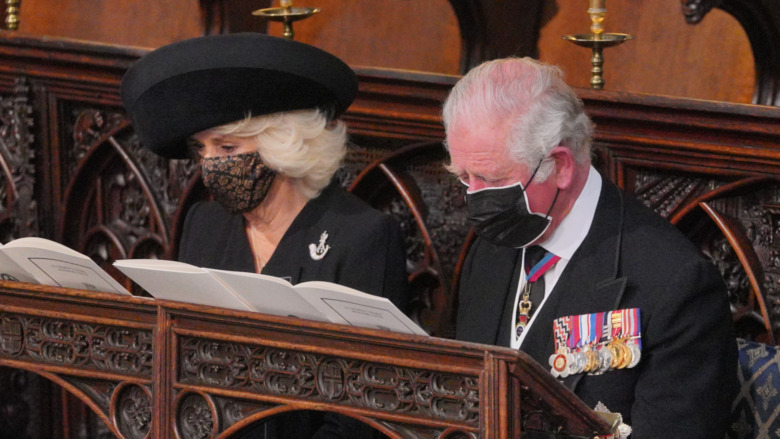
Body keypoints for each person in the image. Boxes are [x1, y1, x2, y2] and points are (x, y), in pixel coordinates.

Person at [120, 33, 408, 439]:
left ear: (284, 145)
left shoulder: (362, 236)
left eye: (226, 147)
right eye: (202, 150)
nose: (210, 166)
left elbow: (367, 408)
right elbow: (175, 362)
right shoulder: (204, 224)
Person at [442, 57, 737, 438]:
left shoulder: (675, 283)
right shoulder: (490, 249)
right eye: (464, 177)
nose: (475, 198)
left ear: (560, 166)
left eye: (491, 178)